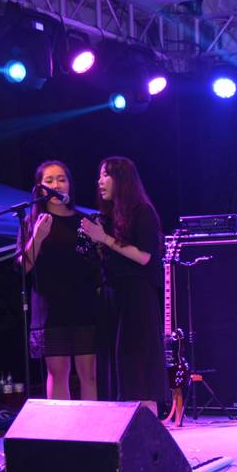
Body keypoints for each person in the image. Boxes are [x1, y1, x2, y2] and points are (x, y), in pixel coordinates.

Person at [80, 156, 166, 416]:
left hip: (137, 296)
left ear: (122, 179)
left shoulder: (142, 211)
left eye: (106, 175)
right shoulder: (108, 216)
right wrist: (92, 242)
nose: (100, 181)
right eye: (99, 176)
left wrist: (105, 239)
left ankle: (149, 429)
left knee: (139, 364)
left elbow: (144, 256)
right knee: (118, 366)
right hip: (113, 296)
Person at [19, 161, 99, 401]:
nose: (56, 185)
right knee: (58, 372)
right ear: (40, 187)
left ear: (69, 184)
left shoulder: (83, 221)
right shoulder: (33, 222)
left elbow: (90, 262)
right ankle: (60, 425)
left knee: (89, 374)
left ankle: (91, 424)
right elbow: (23, 267)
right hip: (50, 308)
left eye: (61, 179)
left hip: (83, 305)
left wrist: (96, 243)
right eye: (49, 180)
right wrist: (37, 237)